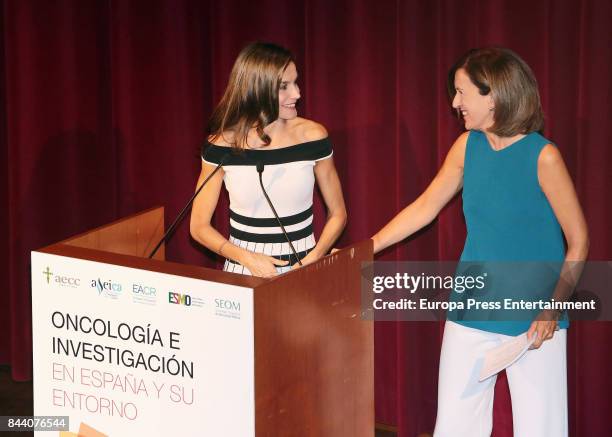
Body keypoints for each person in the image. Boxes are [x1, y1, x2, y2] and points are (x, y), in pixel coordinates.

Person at [371, 47, 589, 436]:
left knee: (542, 428)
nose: (455, 103)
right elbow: (425, 208)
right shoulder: (466, 147)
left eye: (462, 92)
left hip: (535, 316)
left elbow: (579, 241)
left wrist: (552, 311)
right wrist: (365, 249)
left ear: (494, 95)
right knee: (454, 425)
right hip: (471, 307)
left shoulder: (544, 157)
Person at [190, 42, 347, 277]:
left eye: (296, 82)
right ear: (256, 89)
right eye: (284, 86)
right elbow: (199, 227)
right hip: (243, 270)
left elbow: (338, 214)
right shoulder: (221, 146)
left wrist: (314, 257)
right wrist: (247, 258)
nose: (297, 94)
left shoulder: (313, 137)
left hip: (306, 267)